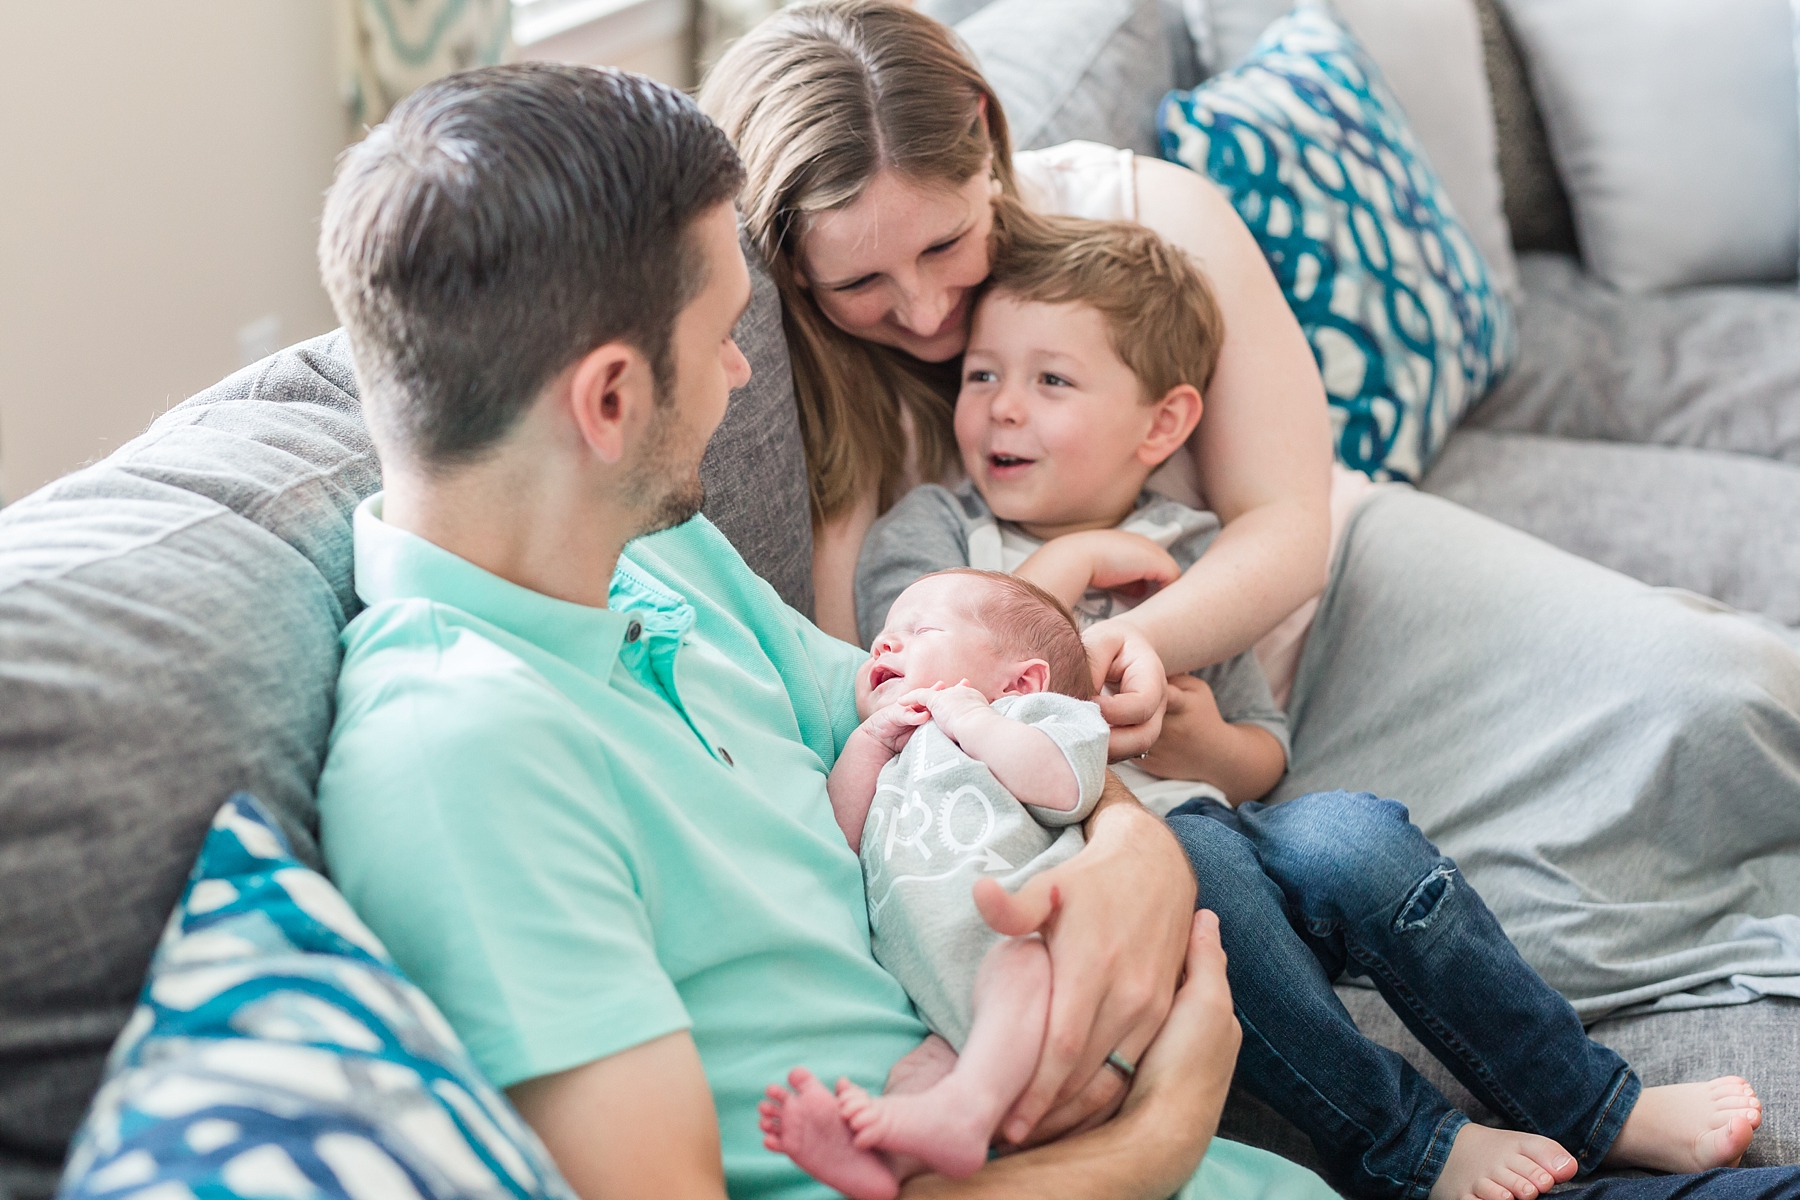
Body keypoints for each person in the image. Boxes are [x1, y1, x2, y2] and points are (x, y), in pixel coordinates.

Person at [311, 61, 1332, 1200]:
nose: (746, 373)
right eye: (721, 338)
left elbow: (963, 707)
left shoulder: (651, 554)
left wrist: (1136, 858)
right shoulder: (463, 758)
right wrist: (1156, 1140)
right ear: (608, 401)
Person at [699, 0, 1800, 1042]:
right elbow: (872, 664)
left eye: (943, 247)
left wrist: (1133, 646)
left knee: (1730, 687)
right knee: (1511, 915)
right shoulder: (808, 394)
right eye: (862, 284)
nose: (927, 312)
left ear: (984, 141)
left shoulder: (1146, 213)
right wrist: (1100, 698)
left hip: (1323, 606)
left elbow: (1285, 520)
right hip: (1145, 759)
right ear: (788, 261)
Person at [850, 216, 1765, 1200]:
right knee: (1216, 895)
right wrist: (1068, 565)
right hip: (1106, 870)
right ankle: (1414, 1146)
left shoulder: (1188, 556)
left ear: (1162, 425)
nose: (1003, 412)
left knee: (1361, 840)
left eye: (1052, 382)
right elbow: (894, 648)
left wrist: (1206, 746)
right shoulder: (940, 529)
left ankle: (1596, 1106)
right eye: (982, 376)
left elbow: (1264, 759)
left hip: (1218, 818)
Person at [763, 568, 1114, 1199]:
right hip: (937, 996)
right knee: (918, 1071)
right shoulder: (892, 748)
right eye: (883, 634)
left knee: (1021, 965)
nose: (883, 645)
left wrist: (974, 720)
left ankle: (967, 1110)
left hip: (1038, 950)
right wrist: (868, 744)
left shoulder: (1036, 718)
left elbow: (1066, 785)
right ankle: (890, 1165)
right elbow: (839, 841)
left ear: (1021, 679)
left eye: (919, 629)